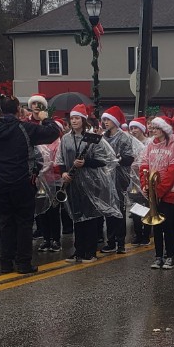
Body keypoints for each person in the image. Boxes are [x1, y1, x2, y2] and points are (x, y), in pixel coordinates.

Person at [0, 96, 58, 273]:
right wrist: (45, 118)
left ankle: (5, 262)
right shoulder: (25, 128)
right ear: (18, 109)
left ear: (1, 111)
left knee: (5, 222)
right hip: (23, 182)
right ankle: (23, 263)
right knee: (24, 223)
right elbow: (52, 133)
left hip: (1, 182)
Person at [57, 103, 120, 264]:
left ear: (84, 120)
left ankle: (90, 251)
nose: (74, 121)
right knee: (77, 217)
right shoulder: (66, 138)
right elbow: (60, 159)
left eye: (77, 118)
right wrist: (63, 172)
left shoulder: (94, 138)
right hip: (73, 182)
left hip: (91, 183)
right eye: (72, 118)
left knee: (90, 217)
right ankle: (78, 250)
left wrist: (85, 162)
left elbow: (104, 160)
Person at [139, 116, 174, 269]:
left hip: (167, 192)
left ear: (164, 129)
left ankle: (170, 256)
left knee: (168, 225)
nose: (154, 131)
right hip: (152, 191)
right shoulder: (149, 145)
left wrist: (159, 190)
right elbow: (143, 165)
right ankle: (158, 256)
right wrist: (145, 184)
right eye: (153, 128)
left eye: (157, 128)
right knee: (156, 226)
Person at [99, 105, 135, 255]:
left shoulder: (124, 137)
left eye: (108, 119)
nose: (106, 122)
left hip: (119, 178)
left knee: (119, 210)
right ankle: (111, 241)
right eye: (104, 120)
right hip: (106, 178)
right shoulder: (103, 137)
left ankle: (120, 242)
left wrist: (118, 159)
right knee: (109, 210)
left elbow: (130, 157)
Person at [35, 118, 65, 253]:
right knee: (43, 211)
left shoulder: (59, 144)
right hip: (41, 181)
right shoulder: (39, 143)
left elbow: (59, 162)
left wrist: (50, 166)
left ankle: (56, 239)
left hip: (55, 181)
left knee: (53, 211)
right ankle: (46, 238)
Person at [127, 117, 150, 245]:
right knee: (135, 207)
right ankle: (138, 234)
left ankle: (146, 234)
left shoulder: (149, 143)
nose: (133, 130)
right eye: (131, 128)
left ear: (142, 129)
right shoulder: (130, 143)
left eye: (136, 128)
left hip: (146, 179)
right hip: (133, 180)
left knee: (146, 206)